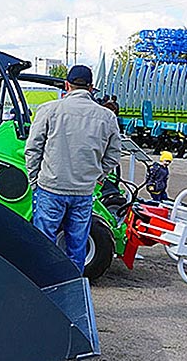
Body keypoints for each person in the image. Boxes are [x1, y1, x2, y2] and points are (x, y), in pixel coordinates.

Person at [25, 65, 121, 274]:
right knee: (77, 246)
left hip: (51, 187)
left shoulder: (49, 110)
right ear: (91, 87)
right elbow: (113, 155)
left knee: (44, 243)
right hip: (84, 191)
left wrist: (34, 180)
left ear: (67, 85)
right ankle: (73, 287)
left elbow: (32, 148)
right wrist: (98, 178)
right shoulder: (107, 117)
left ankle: (45, 286)